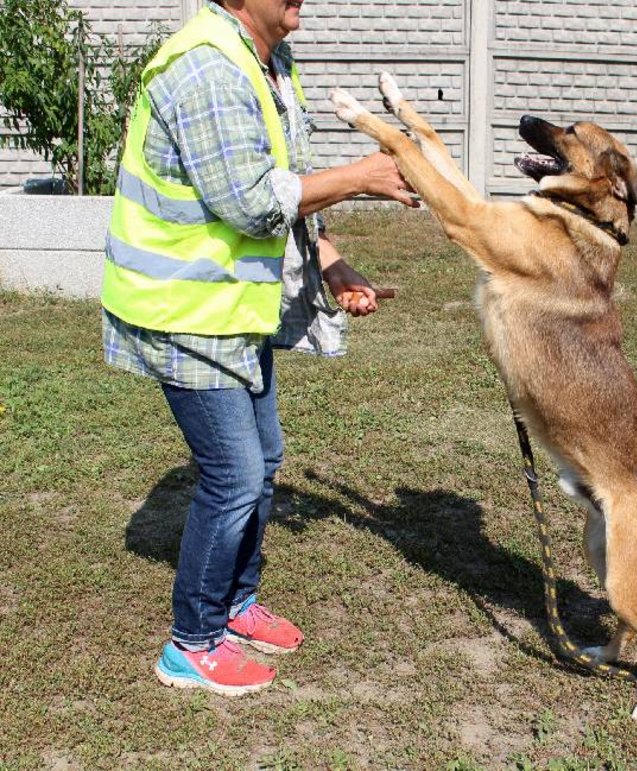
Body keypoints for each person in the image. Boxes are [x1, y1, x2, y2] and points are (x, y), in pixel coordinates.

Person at [100, 0, 416, 695]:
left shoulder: (271, 62)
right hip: (181, 305)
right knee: (236, 474)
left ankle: (235, 604)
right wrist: (361, 175)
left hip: (230, 306)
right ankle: (191, 640)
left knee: (264, 458)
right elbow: (248, 199)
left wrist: (333, 263)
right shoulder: (208, 67)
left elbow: (290, 179)